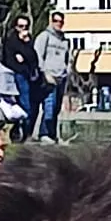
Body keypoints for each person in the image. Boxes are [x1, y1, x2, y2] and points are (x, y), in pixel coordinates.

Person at [33, 11, 73, 141]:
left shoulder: (65, 41)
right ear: (51, 21)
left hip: (61, 77)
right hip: (49, 77)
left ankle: (52, 134)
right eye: (56, 21)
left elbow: (68, 58)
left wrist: (67, 71)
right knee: (49, 106)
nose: (58, 24)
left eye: (61, 22)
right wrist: (44, 72)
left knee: (56, 108)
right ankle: (44, 133)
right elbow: (38, 55)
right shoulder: (44, 37)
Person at [1, 17, 41, 143]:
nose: (23, 29)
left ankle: (25, 133)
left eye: (26, 26)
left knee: (28, 106)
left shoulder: (29, 42)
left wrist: (26, 46)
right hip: (15, 76)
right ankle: (17, 131)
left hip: (27, 76)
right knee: (21, 105)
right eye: (20, 26)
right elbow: (11, 60)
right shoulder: (11, 41)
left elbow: (33, 58)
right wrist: (23, 55)